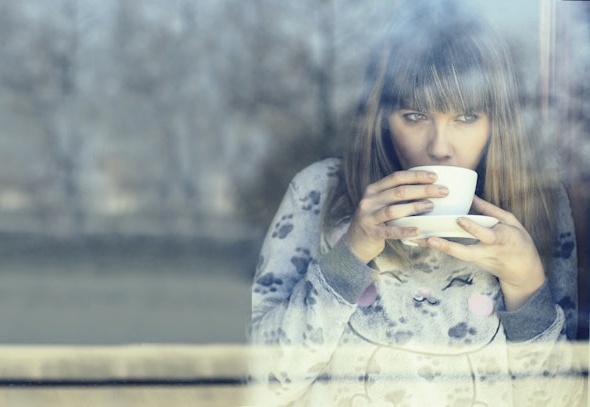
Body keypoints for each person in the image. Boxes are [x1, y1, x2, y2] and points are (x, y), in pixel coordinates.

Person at [248, 1, 583, 405]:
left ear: (498, 121)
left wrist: (526, 285)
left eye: (466, 117)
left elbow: (560, 401)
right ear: (381, 119)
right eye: (414, 115)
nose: (439, 147)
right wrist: (350, 255)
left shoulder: (541, 208)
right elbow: (262, 385)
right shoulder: (319, 191)